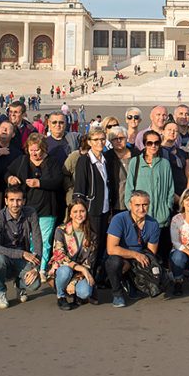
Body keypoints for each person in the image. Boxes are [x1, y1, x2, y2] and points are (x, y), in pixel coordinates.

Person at [6, 133, 64, 279]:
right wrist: (10, 178)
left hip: (47, 207)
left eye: (37, 150)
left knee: (44, 240)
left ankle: (41, 269)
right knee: (29, 239)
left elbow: (59, 181)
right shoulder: (22, 160)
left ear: (43, 148)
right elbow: (7, 172)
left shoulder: (52, 162)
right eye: (31, 150)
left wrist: (40, 183)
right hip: (27, 208)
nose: (34, 153)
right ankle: (30, 268)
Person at [0, 186, 43, 309]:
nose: (15, 204)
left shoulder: (31, 213)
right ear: (6, 201)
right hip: (4, 256)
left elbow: (37, 240)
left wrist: (36, 268)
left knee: (35, 284)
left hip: (22, 259)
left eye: (18, 200)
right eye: (12, 200)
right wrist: (22, 254)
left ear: (23, 201)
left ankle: (19, 285)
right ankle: (1, 292)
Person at [105, 190, 161, 308]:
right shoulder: (118, 219)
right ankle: (117, 293)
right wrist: (135, 255)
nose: (141, 209)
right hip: (120, 255)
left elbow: (151, 252)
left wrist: (134, 263)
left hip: (139, 257)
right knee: (114, 263)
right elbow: (111, 249)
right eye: (137, 205)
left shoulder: (153, 224)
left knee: (154, 272)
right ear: (130, 205)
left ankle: (131, 282)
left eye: (145, 205)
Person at [73, 128, 116, 276]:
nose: (100, 142)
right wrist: (81, 212)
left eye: (102, 139)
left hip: (105, 209)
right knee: (91, 245)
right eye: (96, 139)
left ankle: (97, 276)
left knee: (102, 243)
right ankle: (86, 276)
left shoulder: (105, 160)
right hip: (92, 210)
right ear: (89, 142)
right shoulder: (84, 160)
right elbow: (79, 188)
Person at [48, 199, 97, 310]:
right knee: (65, 271)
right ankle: (61, 296)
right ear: (70, 214)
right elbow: (60, 256)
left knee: (84, 292)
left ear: (86, 212)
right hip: (63, 268)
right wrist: (81, 269)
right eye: (75, 212)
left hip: (80, 273)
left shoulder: (92, 235)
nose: (79, 215)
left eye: (82, 211)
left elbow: (89, 262)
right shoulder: (61, 230)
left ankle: (76, 292)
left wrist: (74, 282)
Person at [106, 126, 132, 211]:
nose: (118, 141)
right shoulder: (107, 157)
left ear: (126, 138)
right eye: (114, 139)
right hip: (116, 202)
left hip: (134, 200)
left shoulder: (136, 155)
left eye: (121, 138)